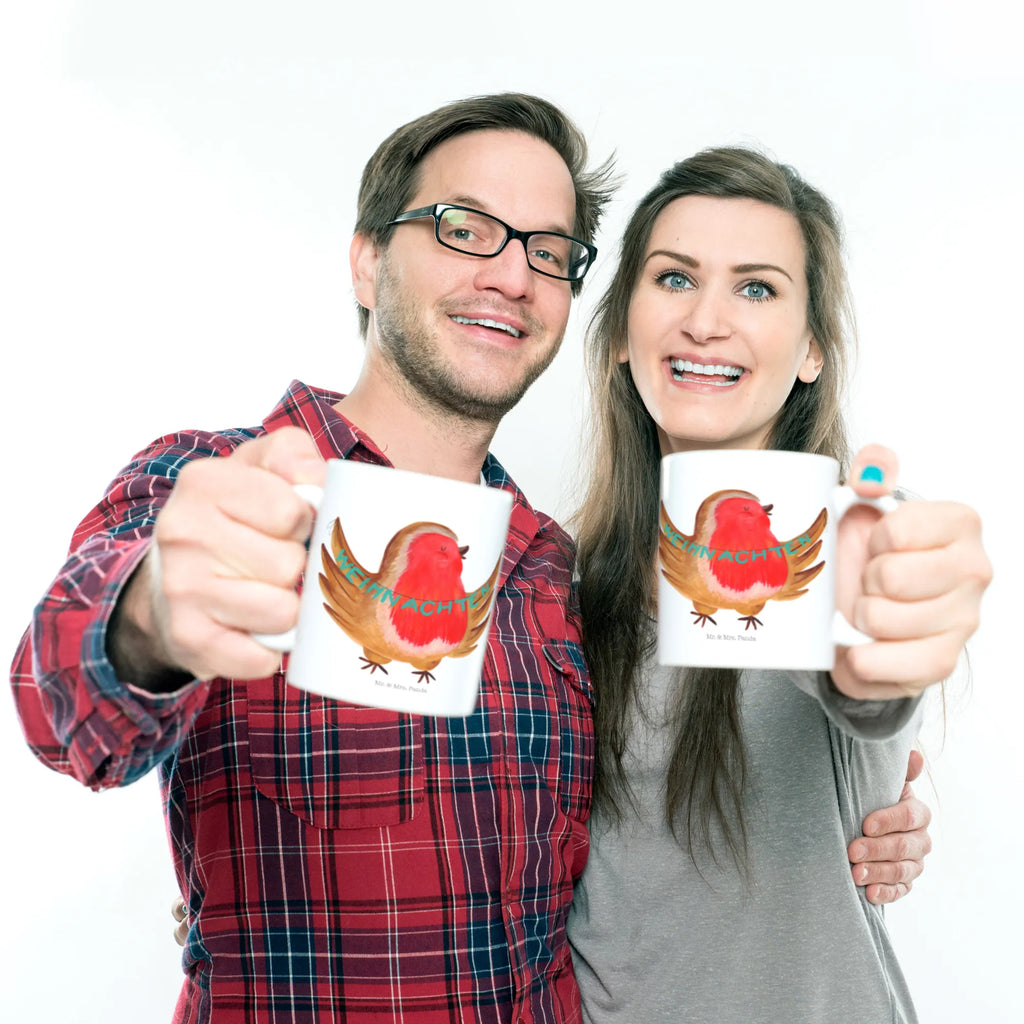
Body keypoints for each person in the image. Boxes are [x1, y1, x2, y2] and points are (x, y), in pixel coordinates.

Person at [13, 93, 932, 1024]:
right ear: (368, 260)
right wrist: (151, 617)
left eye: (547, 251)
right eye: (465, 229)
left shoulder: (553, 574)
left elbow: (834, 690)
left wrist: (867, 779)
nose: (511, 275)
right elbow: (61, 704)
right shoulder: (216, 488)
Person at [566, 146, 992, 1022]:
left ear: (811, 352)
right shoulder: (563, 583)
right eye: (675, 279)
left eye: (756, 288)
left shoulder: (852, 544)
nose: (706, 321)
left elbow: (868, 683)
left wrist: (885, 641)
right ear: (618, 334)